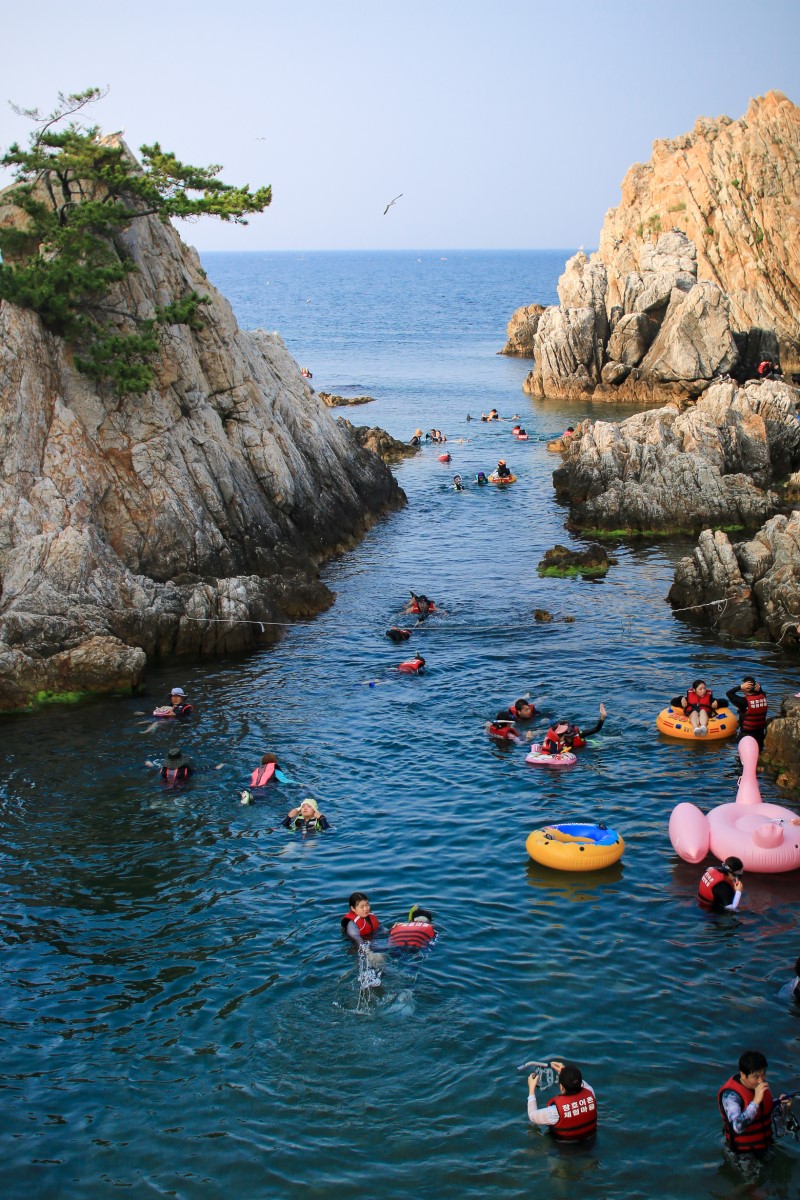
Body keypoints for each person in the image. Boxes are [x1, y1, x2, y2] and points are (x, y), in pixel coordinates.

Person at [718, 1050, 793, 1161]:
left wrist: (783, 1106)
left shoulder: (758, 1086)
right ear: (743, 1075)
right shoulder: (730, 1095)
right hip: (741, 1153)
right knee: (755, 1178)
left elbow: (767, 1112)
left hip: (766, 1145)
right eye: (756, 1076)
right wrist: (756, 1101)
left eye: (763, 1074)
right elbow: (737, 1126)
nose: (760, 1080)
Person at [527, 1060, 598, 1141]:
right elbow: (580, 1083)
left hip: (565, 1148)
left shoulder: (555, 1111)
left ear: (561, 1087)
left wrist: (531, 1089)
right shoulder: (590, 1093)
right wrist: (567, 1073)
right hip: (591, 1142)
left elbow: (532, 1116)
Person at [726, 677, 769, 750]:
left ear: (745, 688)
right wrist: (760, 689)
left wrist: (740, 687)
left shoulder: (744, 702)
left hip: (746, 735)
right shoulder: (763, 696)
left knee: (728, 745)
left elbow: (729, 693)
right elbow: (760, 693)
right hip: (760, 734)